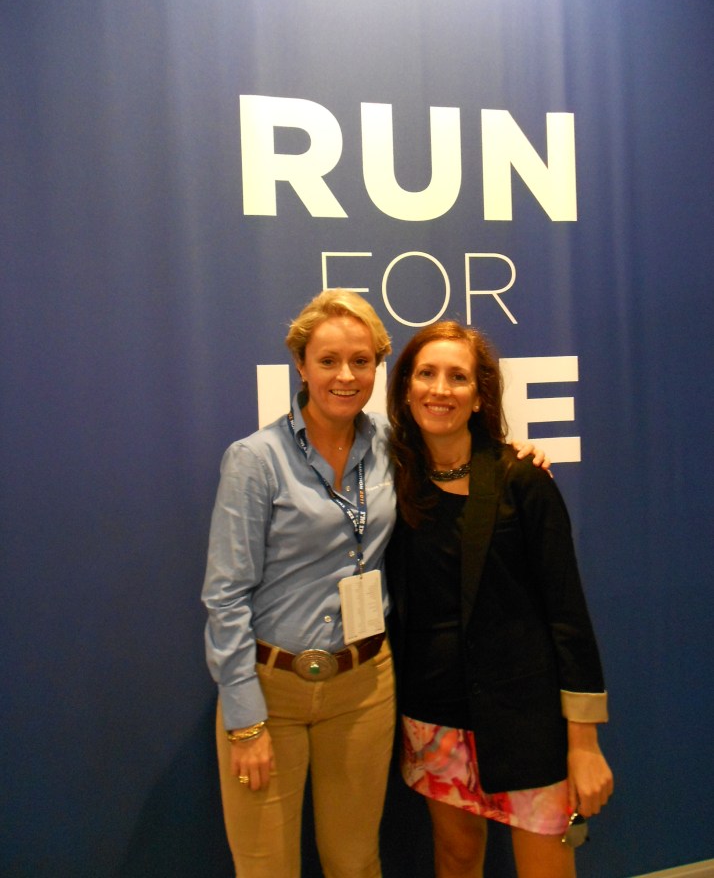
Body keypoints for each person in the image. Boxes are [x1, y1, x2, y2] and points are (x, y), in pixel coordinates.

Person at [202, 291, 549, 878]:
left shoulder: (393, 448)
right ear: (301, 366)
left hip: (365, 685)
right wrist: (246, 719)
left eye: (361, 362)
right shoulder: (255, 460)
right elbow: (226, 595)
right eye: (329, 360)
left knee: (357, 862)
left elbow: (465, 456)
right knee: (266, 867)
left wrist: (516, 453)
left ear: (378, 368)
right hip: (272, 691)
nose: (345, 376)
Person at [385, 321, 613, 878]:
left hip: (525, 718)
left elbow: (568, 614)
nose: (440, 389)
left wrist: (583, 745)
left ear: (479, 394)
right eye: (426, 374)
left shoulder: (522, 480)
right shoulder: (391, 480)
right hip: (434, 715)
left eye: (457, 377)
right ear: (406, 389)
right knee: (457, 857)